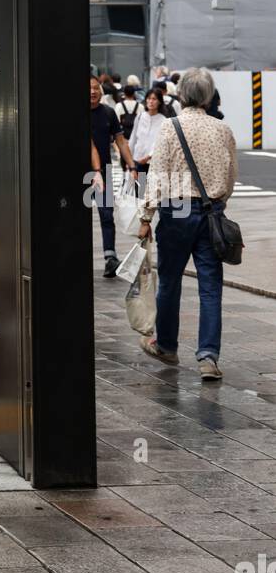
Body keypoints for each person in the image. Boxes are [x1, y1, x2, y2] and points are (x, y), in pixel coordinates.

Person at [138, 68, 237, 381]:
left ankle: (167, 345)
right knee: (210, 287)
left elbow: (158, 174)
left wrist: (146, 216)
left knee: (169, 280)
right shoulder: (223, 129)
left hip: (177, 208)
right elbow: (231, 175)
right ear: (208, 96)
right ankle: (208, 356)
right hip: (211, 210)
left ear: (181, 95)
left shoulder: (171, 127)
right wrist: (218, 203)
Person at [90, 75, 137, 278]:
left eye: (95, 88)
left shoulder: (108, 113)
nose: (92, 92)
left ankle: (110, 257)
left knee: (107, 215)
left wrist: (132, 165)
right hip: (83, 174)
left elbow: (121, 141)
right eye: (89, 88)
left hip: (104, 172)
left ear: (101, 91)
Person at [128, 87, 167, 193]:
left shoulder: (163, 120)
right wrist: (129, 160)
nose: (151, 101)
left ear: (159, 102)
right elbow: (133, 138)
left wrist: (149, 155)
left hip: (153, 163)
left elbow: (161, 142)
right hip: (137, 161)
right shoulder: (140, 116)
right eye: (149, 98)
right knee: (138, 193)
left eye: (154, 99)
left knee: (152, 194)